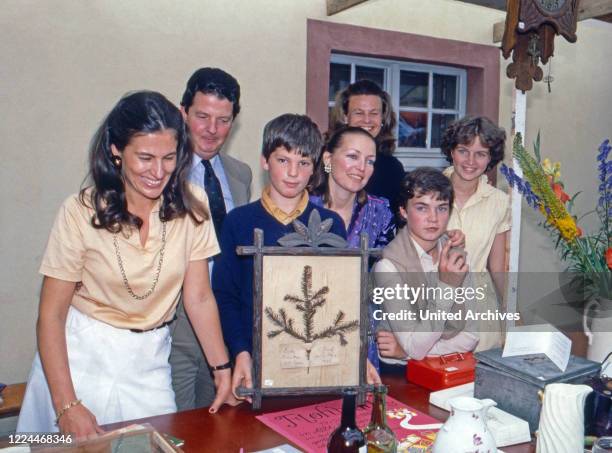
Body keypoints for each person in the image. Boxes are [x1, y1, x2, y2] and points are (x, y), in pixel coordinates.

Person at [17, 91, 234, 437]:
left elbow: (199, 298)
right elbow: (51, 315)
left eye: (169, 157)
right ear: (116, 151)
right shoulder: (81, 211)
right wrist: (67, 406)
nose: (158, 171)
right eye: (145, 157)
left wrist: (221, 366)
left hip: (149, 361)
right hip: (80, 359)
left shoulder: (193, 204)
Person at [212, 114, 346, 398]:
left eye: (304, 163)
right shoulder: (238, 222)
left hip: (317, 363)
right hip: (255, 359)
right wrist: (240, 351)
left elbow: (340, 301)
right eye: (283, 160)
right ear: (264, 160)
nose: (293, 173)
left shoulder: (332, 223)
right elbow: (226, 295)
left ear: (316, 166)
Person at [170, 67, 252, 411]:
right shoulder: (161, 173)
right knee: (170, 429)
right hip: (173, 327)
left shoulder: (241, 174)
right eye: (202, 116)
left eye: (223, 120)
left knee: (215, 426)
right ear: (182, 112)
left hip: (224, 324)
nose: (212, 130)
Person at [309, 126, 393, 382]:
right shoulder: (303, 207)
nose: (361, 167)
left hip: (360, 331)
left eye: (370, 161)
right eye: (353, 156)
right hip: (309, 327)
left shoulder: (381, 212)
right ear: (327, 159)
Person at [374, 168, 479, 364]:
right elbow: (415, 347)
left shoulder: (457, 257)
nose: (433, 218)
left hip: (447, 368)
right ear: (404, 211)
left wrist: (405, 353)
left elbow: (471, 336)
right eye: (422, 208)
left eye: (441, 208)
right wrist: (446, 287)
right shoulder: (388, 266)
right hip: (400, 377)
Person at [441, 116, 509, 351]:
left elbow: (498, 268)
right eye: (463, 150)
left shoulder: (500, 202)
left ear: (491, 158)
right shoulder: (427, 192)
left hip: (481, 313)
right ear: (452, 151)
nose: (470, 161)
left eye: (481, 153)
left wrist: (511, 316)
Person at [329, 80, 404, 212]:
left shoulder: (393, 169)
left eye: (374, 113)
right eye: (359, 112)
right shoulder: (326, 159)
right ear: (345, 116)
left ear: (382, 118)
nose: (367, 120)